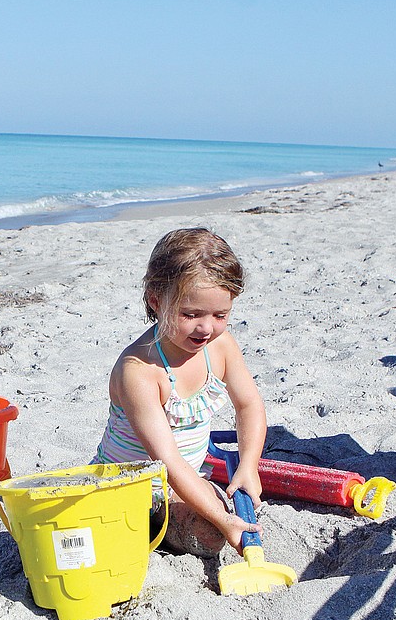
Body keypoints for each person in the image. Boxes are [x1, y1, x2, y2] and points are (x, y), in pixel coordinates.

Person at [93, 228, 266, 556]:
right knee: (214, 527)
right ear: (156, 302)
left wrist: (248, 465)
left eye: (220, 315)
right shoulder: (139, 371)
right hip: (123, 486)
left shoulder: (221, 347)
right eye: (191, 315)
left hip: (179, 485)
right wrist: (222, 519)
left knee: (210, 531)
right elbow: (167, 460)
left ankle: (165, 522)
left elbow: (249, 405)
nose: (206, 328)